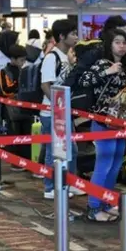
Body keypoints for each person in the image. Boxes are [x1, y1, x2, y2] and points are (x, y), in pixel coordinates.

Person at [77, 29, 126, 222]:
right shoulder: (102, 63)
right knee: (104, 165)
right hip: (102, 121)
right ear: (109, 44)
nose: (121, 46)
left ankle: (106, 202)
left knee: (116, 165)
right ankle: (93, 206)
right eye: (117, 42)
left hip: (119, 122)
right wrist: (108, 71)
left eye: (124, 42)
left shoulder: (125, 66)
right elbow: (84, 81)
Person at [40, 19, 83, 199]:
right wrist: (58, 107)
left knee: (70, 150)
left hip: (63, 113)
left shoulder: (67, 57)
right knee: (53, 151)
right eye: (72, 33)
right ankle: (50, 187)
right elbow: (45, 85)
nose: (76, 37)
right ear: (61, 36)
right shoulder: (52, 57)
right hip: (52, 113)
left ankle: (69, 183)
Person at [0, 45, 29, 169]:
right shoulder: (3, 72)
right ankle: (15, 163)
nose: (23, 63)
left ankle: (27, 161)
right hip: (11, 109)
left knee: (27, 135)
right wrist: (19, 83)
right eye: (21, 60)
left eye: (24, 60)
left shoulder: (25, 70)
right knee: (15, 134)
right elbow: (5, 90)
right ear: (13, 59)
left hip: (26, 107)